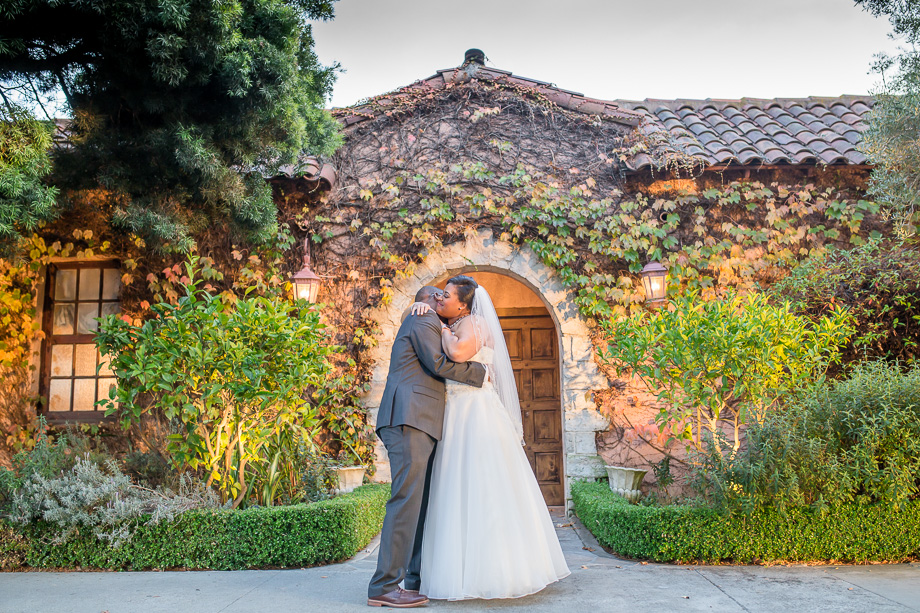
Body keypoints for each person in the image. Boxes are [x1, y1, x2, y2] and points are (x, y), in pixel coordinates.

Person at [411, 275, 570, 601]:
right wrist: (422, 305)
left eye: (447, 296)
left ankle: (497, 570)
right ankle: (458, 568)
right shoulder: (456, 318)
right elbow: (428, 310)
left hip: (475, 412)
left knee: (483, 483)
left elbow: (457, 353)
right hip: (458, 410)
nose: (441, 299)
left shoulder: (474, 323)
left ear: (464, 303)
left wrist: (442, 331)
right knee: (456, 486)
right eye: (440, 296)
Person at [367, 285, 487, 609]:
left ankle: (414, 581)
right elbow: (437, 363)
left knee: (418, 504)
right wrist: (482, 372)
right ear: (432, 300)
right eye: (440, 294)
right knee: (406, 501)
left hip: (422, 421)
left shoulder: (433, 323)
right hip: (409, 419)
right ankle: (383, 587)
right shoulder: (422, 320)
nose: (444, 298)